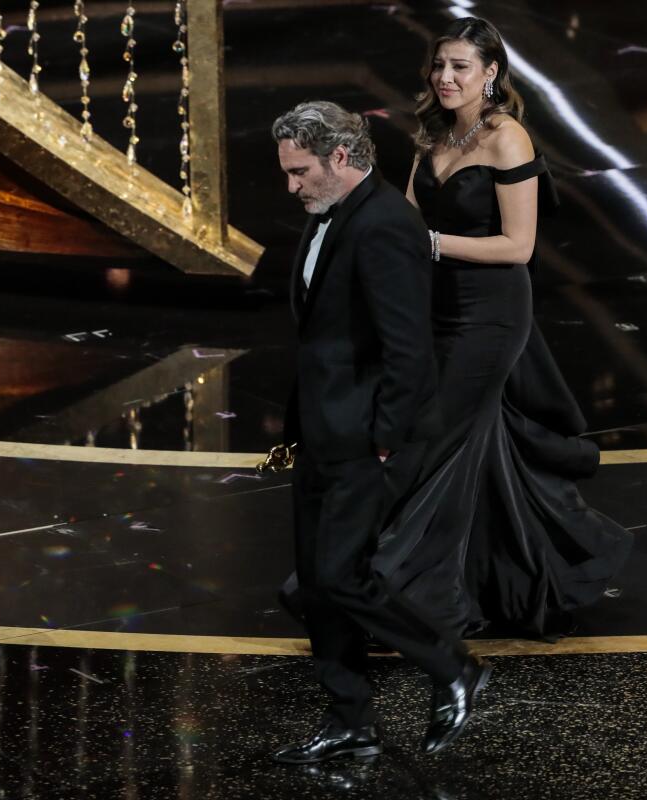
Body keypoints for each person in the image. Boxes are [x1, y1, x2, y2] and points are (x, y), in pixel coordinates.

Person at [375, 16, 634, 640]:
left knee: (434, 440)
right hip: (437, 308)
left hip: (490, 313)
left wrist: (430, 243)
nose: (445, 77)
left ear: (491, 74)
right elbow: (408, 219)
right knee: (472, 448)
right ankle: (509, 579)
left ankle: (399, 590)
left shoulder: (507, 140)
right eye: (439, 66)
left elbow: (519, 246)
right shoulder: (431, 136)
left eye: (460, 67)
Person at [270, 101, 489, 764]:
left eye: (300, 170)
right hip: (322, 428)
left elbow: (409, 348)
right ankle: (350, 720)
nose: (291, 185)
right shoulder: (327, 214)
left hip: (365, 436)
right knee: (316, 582)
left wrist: (385, 437)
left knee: (341, 575)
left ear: (340, 157)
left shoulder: (388, 223)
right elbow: (322, 333)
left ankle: (452, 666)